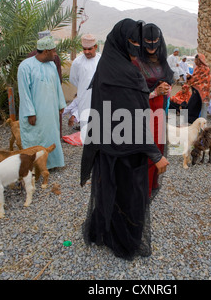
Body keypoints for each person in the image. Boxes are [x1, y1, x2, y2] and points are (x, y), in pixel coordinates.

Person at [80, 19, 169, 261]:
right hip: (126, 148)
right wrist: (155, 154)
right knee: (129, 192)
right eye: (132, 42)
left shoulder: (108, 66)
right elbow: (133, 117)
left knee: (111, 189)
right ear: (120, 42)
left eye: (138, 43)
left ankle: (107, 233)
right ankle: (124, 241)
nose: (136, 48)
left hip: (109, 145)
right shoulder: (123, 72)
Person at [132, 23, 174, 199]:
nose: (151, 46)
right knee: (147, 149)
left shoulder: (162, 60)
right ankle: (144, 191)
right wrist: (155, 92)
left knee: (158, 146)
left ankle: (153, 183)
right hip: (143, 110)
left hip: (160, 110)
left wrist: (166, 87)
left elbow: (167, 78)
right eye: (147, 41)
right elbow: (133, 92)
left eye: (155, 41)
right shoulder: (135, 62)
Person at [17, 35, 66, 169]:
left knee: (51, 134)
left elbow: (57, 85)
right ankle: (36, 165)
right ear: (46, 51)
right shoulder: (25, 66)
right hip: (36, 111)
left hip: (50, 110)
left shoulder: (51, 65)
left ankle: (52, 163)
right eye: (54, 51)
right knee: (35, 137)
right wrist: (30, 113)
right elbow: (24, 92)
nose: (55, 54)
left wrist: (61, 104)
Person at [69, 33, 101, 144]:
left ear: (95, 47)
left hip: (100, 98)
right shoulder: (77, 62)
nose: (86, 52)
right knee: (86, 127)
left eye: (89, 49)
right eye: (84, 49)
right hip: (84, 100)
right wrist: (84, 88)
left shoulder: (102, 60)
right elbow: (73, 79)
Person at [187, 53, 211, 118]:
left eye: (196, 60)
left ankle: (193, 121)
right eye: (195, 60)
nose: (195, 62)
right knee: (192, 105)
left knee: (194, 105)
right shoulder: (197, 68)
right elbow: (195, 77)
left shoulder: (205, 69)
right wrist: (189, 77)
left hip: (202, 91)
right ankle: (191, 121)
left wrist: (194, 83)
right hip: (196, 89)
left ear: (200, 60)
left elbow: (202, 80)